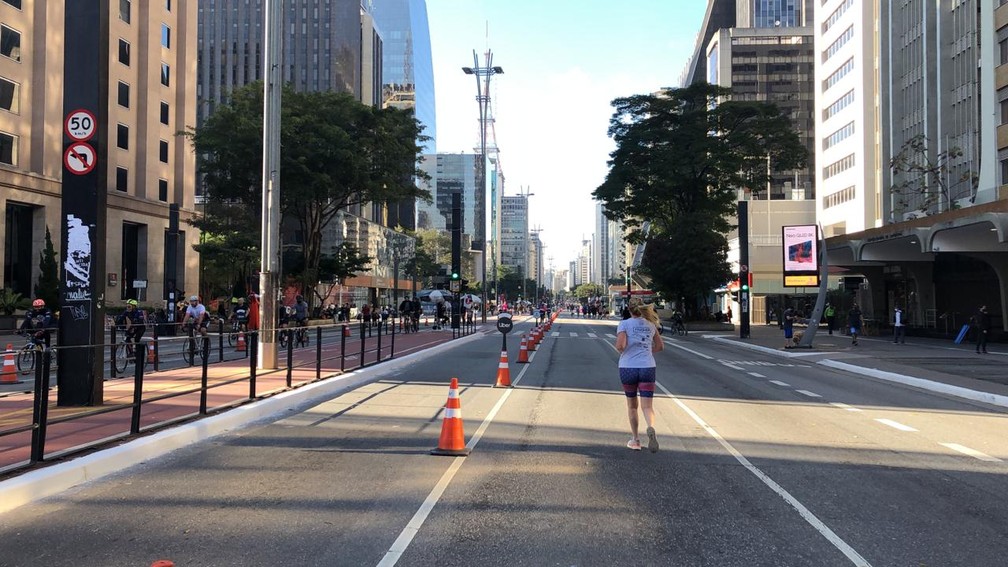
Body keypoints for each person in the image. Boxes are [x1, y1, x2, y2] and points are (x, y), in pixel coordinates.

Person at [614, 298, 664, 453]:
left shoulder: (624, 324)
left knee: (632, 406)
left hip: (628, 367)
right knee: (647, 406)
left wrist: (624, 351)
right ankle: (650, 427)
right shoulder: (651, 325)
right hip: (647, 366)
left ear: (629, 309)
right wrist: (647, 352)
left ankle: (635, 440)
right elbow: (660, 346)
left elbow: (620, 345)